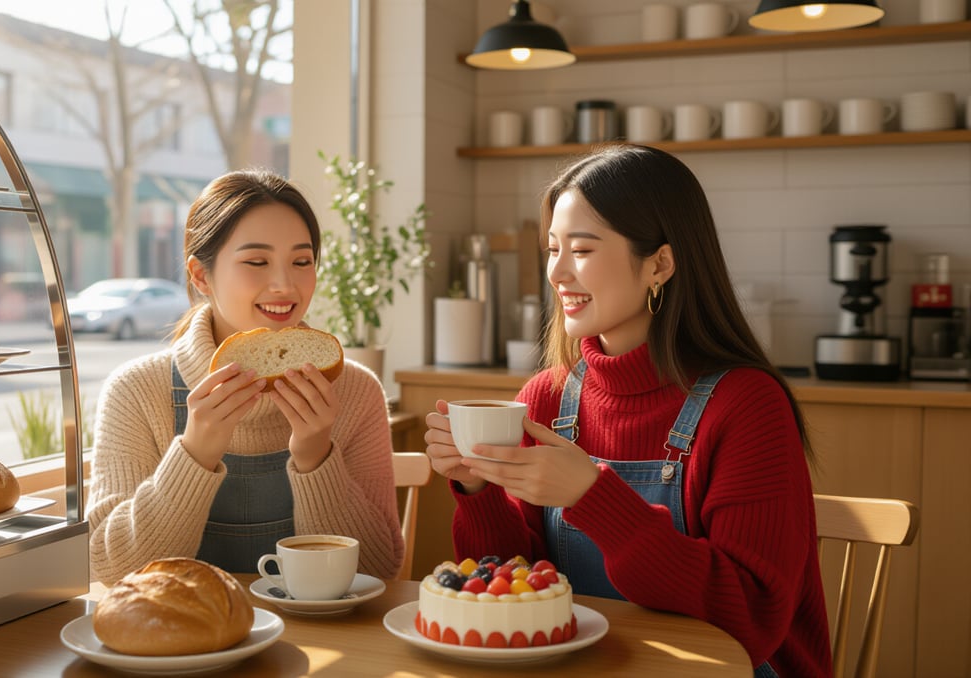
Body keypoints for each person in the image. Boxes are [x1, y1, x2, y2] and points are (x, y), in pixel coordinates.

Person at [423, 145, 831, 677]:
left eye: (583, 250)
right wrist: (478, 489)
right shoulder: (547, 398)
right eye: (552, 249)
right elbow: (516, 586)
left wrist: (592, 497)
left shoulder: (746, 405)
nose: (558, 273)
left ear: (659, 263)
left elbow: (750, 619)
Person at [89, 169, 404, 586]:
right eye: (257, 262)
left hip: (322, 645)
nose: (284, 284)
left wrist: (316, 457)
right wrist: (195, 454)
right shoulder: (137, 392)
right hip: (185, 645)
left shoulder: (357, 390)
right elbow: (112, 571)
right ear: (201, 275)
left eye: (302, 261)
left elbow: (380, 570)